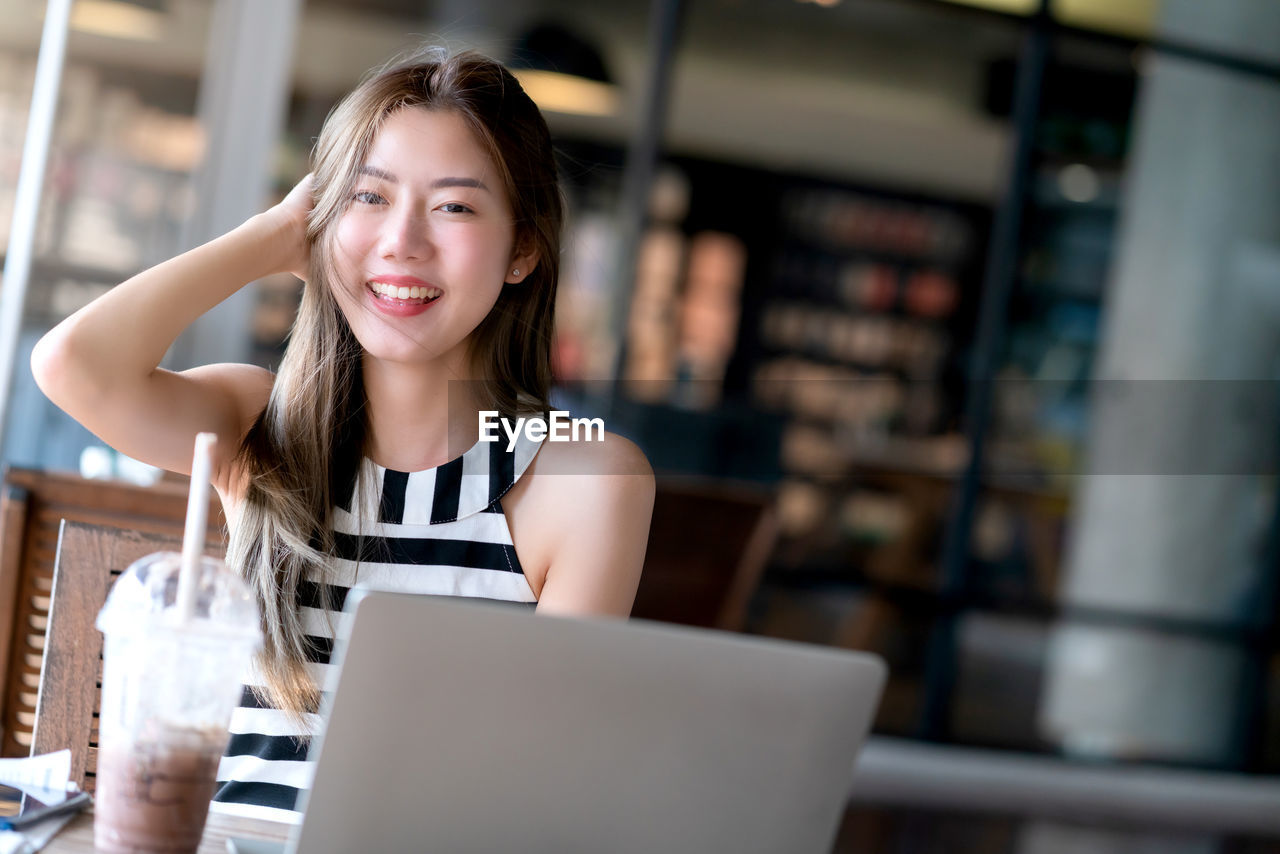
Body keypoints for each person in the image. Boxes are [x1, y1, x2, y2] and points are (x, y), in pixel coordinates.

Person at [31, 47, 655, 822]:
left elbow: (537, 782)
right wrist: (275, 234)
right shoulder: (258, 429)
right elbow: (73, 366)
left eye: (454, 207)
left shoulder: (587, 481)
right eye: (367, 198)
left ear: (523, 249)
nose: (402, 241)